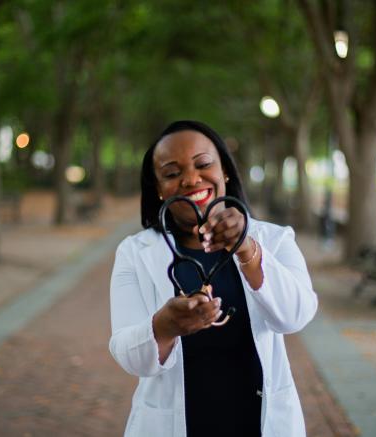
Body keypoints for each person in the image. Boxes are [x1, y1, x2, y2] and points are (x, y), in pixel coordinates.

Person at [109, 120, 318, 437]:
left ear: (225, 172)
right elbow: (130, 356)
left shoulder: (275, 240)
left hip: (259, 423)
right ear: (158, 188)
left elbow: (295, 316)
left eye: (203, 164)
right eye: (171, 173)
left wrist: (247, 249)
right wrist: (164, 327)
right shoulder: (134, 253)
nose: (191, 179)